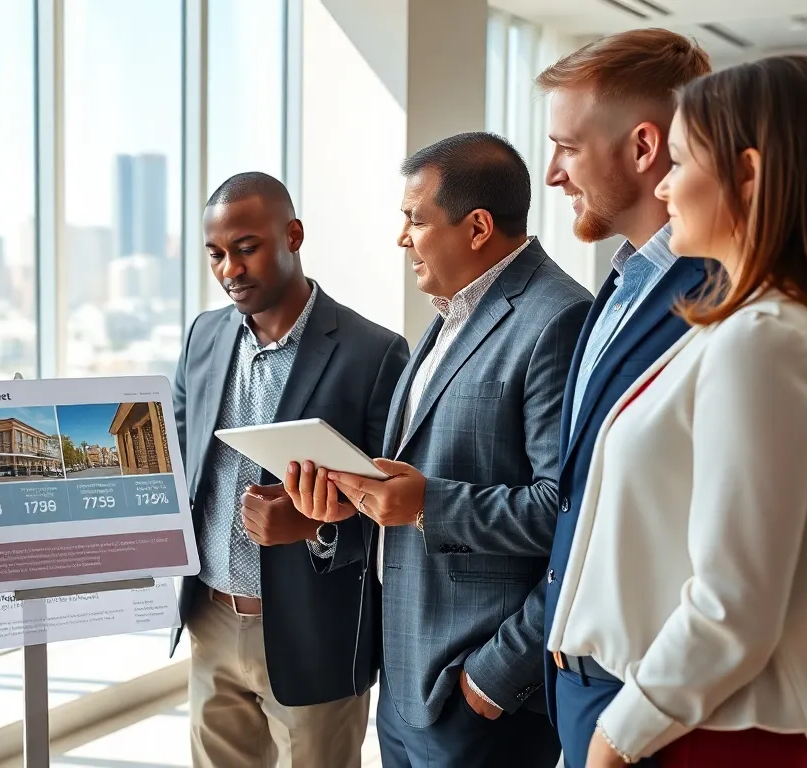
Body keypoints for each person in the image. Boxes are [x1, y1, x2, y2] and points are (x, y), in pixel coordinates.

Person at [550, 54, 807, 767]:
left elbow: (732, 605)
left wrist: (616, 736)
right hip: (693, 721)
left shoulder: (766, 341)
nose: (663, 185)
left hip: (700, 735)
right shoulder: (777, 329)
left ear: (748, 175)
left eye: (681, 160)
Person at [288, 133, 590, 768]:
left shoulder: (556, 319)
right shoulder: (452, 311)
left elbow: (566, 514)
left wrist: (494, 677)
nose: (403, 238)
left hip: (480, 690)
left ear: (477, 227)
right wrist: (353, 504)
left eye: (414, 219)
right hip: (407, 679)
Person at [170, 171, 410, 767]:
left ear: (293, 236)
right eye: (216, 255)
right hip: (211, 617)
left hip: (314, 632)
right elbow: (177, 458)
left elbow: (397, 511)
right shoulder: (203, 336)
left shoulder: (374, 353)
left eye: (246, 248)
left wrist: (317, 527)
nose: (230, 270)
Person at [528, 28, 711, 766]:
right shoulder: (617, 286)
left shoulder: (720, 303)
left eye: (567, 148)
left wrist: (625, 723)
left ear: (642, 149)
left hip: (656, 704)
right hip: (585, 685)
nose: (552, 174)